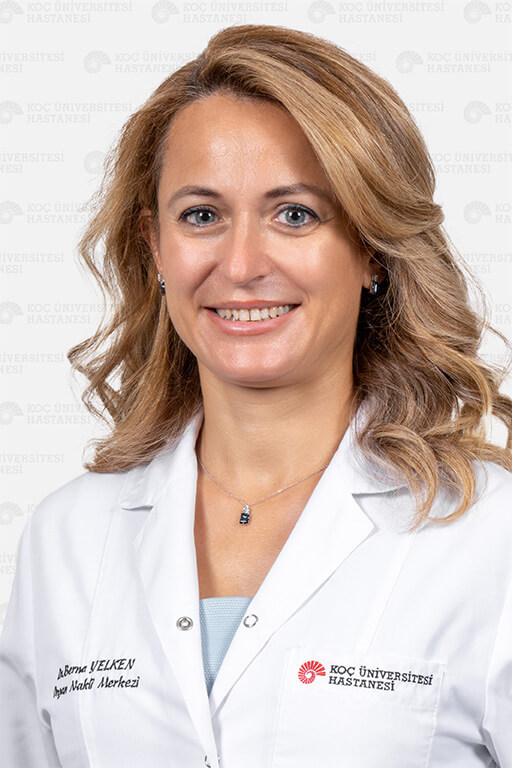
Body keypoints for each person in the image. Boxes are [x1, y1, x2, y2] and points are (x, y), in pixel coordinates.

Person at [1, 23, 512, 768]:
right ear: (155, 247)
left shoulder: (490, 537)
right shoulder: (66, 538)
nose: (241, 265)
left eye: (295, 214)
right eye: (201, 216)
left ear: (372, 248)